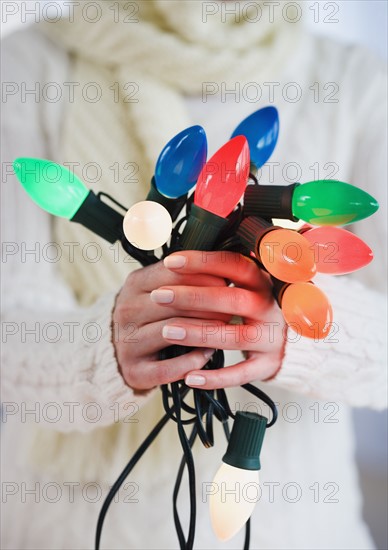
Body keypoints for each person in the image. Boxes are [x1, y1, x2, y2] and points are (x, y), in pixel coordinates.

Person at [1, 1, 386, 549]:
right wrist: (103, 349)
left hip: (297, 530)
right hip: (60, 526)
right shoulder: (23, 65)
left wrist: (293, 335)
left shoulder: (354, 81)